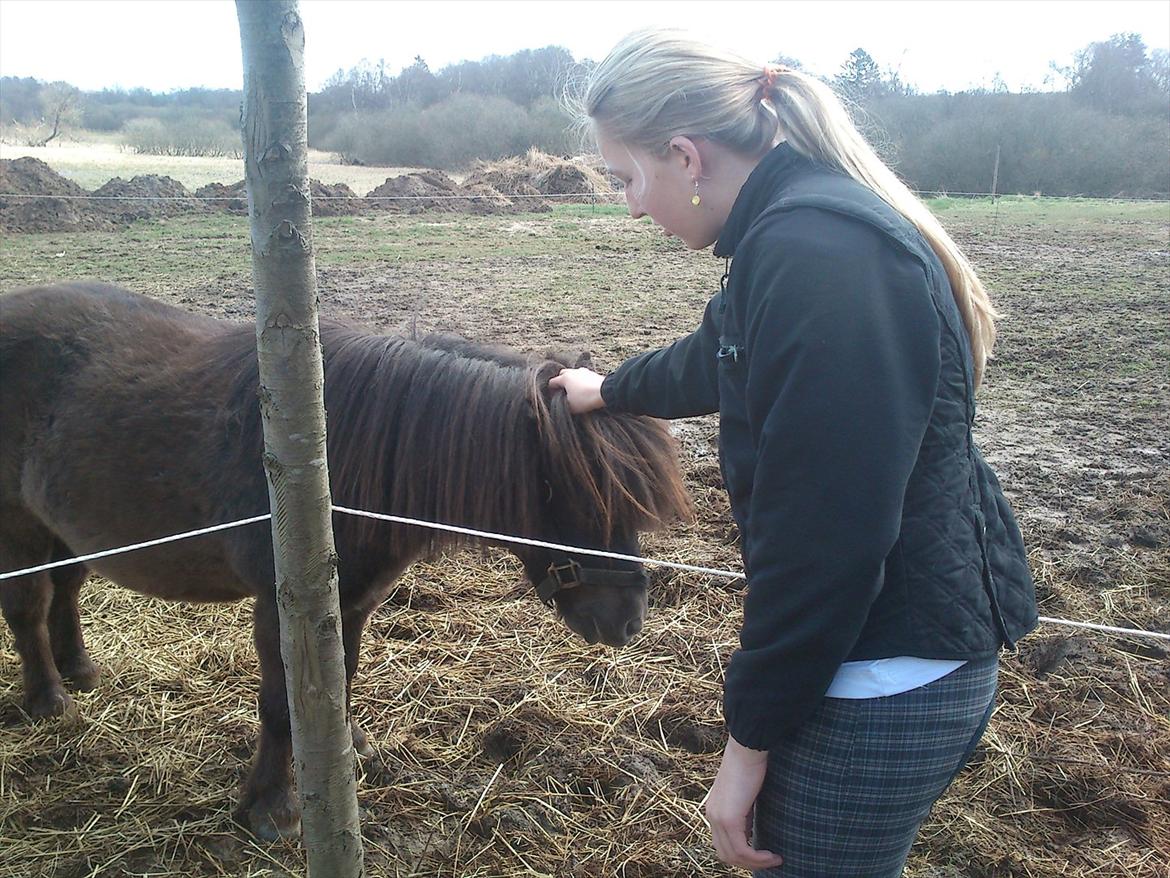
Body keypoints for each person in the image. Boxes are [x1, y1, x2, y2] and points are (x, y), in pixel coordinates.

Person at [549, 29, 1038, 878]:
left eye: (629, 178)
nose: (630, 206)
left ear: (685, 157)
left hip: (880, 674)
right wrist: (611, 389)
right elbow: (723, 352)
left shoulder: (816, 259)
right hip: (885, 654)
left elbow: (826, 546)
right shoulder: (789, 233)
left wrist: (746, 746)